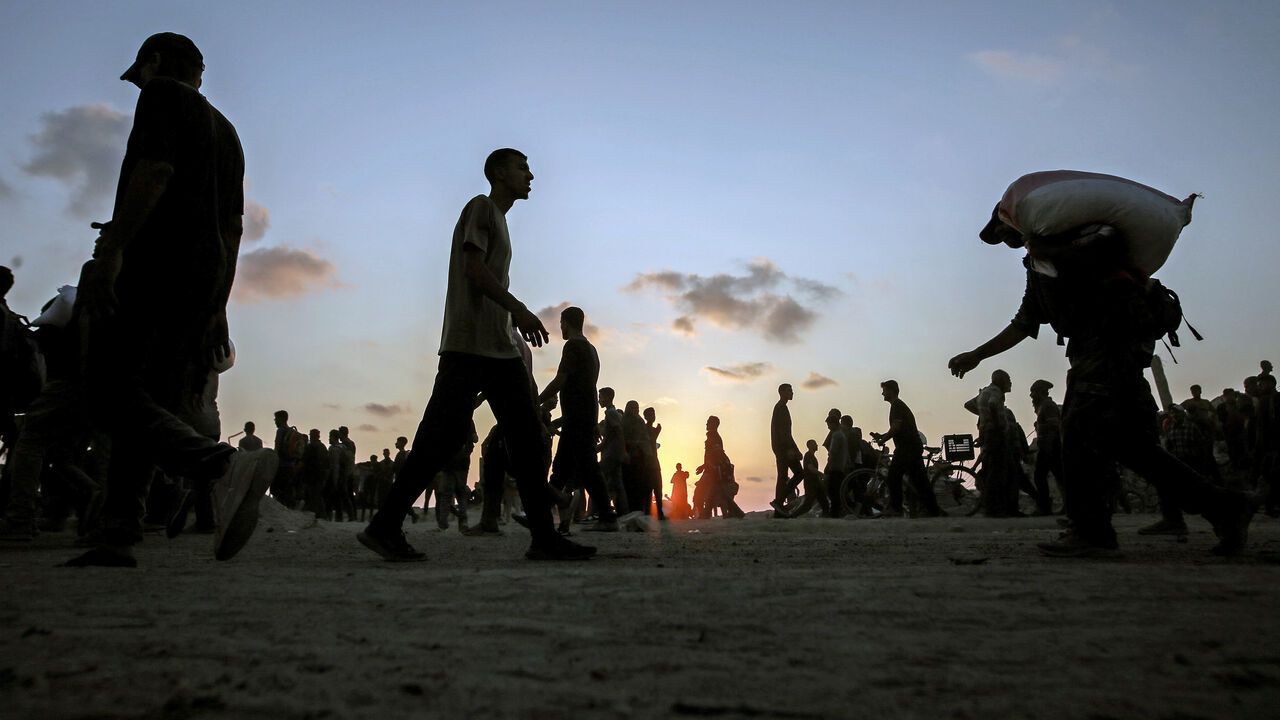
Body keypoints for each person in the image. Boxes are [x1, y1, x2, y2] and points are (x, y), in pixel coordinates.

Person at [70, 33, 277, 566]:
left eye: (137, 71)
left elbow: (154, 171)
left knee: (107, 393)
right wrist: (219, 304)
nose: (136, 82)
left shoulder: (161, 96)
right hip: (203, 277)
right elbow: (234, 227)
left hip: (154, 263)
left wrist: (113, 249)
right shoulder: (228, 131)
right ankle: (118, 527)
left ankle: (220, 465)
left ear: (156, 63)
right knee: (151, 398)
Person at [948, 205, 1254, 556]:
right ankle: (1227, 508)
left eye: (1003, 230)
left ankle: (1092, 531)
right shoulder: (1037, 265)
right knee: (1136, 449)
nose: (1003, 239)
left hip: (1106, 351)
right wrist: (977, 355)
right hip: (1111, 355)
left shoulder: (1075, 243)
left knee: (1078, 434)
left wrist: (1050, 251)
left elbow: (1108, 262)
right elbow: (1025, 322)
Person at [358, 149, 594, 562]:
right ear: (500, 172)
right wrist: (518, 309)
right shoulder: (482, 208)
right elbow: (474, 269)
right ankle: (384, 526)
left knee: (526, 438)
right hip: (469, 347)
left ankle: (543, 537)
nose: (531, 174)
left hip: (497, 349)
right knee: (439, 438)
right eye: (523, 167)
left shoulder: (499, 220)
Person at [536, 306, 618, 531]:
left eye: (561, 323)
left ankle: (608, 518)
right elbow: (591, 388)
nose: (560, 327)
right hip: (584, 416)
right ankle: (540, 514)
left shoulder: (572, 346)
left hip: (577, 418)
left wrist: (537, 400)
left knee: (587, 468)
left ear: (566, 322)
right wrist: (592, 420)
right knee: (563, 468)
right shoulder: (592, 350)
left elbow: (560, 380)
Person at [870, 381, 944, 518]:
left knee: (893, 476)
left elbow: (896, 427)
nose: (882, 393)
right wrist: (882, 436)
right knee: (920, 481)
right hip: (912, 447)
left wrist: (884, 439)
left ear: (891, 391)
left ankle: (896, 508)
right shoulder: (897, 405)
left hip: (907, 447)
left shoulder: (897, 405)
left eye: (884, 390)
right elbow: (896, 428)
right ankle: (934, 510)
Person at [967, 370, 1016, 517]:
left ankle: (996, 507)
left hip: (988, 434)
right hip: (996, 434)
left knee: (993, 470)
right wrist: (999, 423)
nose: (1010, 383)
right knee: (999, 472)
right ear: (1001, 381)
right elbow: (994, 404)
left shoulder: (984, 392)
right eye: (1008, 379)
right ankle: (998, 509)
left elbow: (969, 404)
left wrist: (983, 414)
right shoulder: (996, 393)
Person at [695, 416, 743, 519]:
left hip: (712, 470)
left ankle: (706, 514)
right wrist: (704, 466)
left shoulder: (714, 437)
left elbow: (717, 453)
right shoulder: (712, 436)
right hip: (711, 469)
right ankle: (708, 513)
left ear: (714, 424)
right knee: (718, 493)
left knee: (700, 493)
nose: (706, 424)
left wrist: (710, 467)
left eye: (708, 422)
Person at [769, 383, 804, 516]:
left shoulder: (781, 407)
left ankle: (778, 510)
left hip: (781, 448)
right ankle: (778, 502)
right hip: (784, 449)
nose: (792, 393)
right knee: (799, 473)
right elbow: (784, 433)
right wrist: (792, 450)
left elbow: (785, 433)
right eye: (789, 390)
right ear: (782, 392)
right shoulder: (781, 408)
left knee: (782, 477)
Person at [1029, 379, 1063, 516]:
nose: (1031, 396)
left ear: (1040, 392)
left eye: (1033, 393)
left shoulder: (1048, 406)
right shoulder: (1043, 406)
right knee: (1059, 476)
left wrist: (1047, 447)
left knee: (1040, 476)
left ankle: (1044, 507)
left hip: (1050, 447)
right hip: (1048, 447)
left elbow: (1054, 426)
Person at [597, 387, 629, 516]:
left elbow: (619, 432)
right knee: (617, 483)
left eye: (601, 397)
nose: (599, 400)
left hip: (612, 454)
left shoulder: (611, 413)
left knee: (598, 478)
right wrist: (598, 448)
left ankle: (600, 512)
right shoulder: (611, 413)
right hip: (612, 452)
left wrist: (623, 451)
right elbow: (609, 437)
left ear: (608, 398)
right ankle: (624, 512)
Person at [642, 407, 666, 520]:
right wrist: (657, 432)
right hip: (648, 464)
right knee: (648, 490)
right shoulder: (645, 429)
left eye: (654, 414)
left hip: (655, 464)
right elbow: (649, 442)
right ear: (646, 417)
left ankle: (660, 513)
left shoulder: (651, 429)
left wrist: (657, 432)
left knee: (658, 489)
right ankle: (648, 512)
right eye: (650, 414)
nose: (653, 416)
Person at [823, 414, 849, 517]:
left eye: (829, 424)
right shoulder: (842, 434)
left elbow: (832, 452)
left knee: (832, 490)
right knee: (838, 490)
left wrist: (828, 465)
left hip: (835, 467)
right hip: (840, 466)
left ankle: (834, 512)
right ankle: (836, 511)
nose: (828, 427)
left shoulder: (836, 435)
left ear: (833, 424)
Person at [272, 411, 297, 508]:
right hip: (291, 465)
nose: (275, 421)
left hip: (281, 465)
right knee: (288, 490)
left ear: (281, 419)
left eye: (276, 418)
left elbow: (277, 447)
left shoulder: (281, 431)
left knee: (277, 490)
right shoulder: (292, 431)